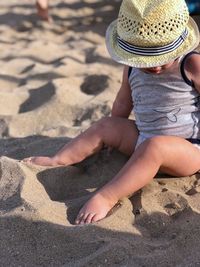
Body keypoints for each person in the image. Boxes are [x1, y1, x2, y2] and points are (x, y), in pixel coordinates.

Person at [24, 0, 200, 225]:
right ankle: (58, 160)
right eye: (146, 58)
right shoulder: (132, 67)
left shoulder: (191, 64)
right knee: (107, 125)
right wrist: (113, 136)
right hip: (143, 138)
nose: (154, 66)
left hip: (187, 150)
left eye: (161, 58)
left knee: (155, 147)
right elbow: (122, 103)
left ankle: (107, 196)